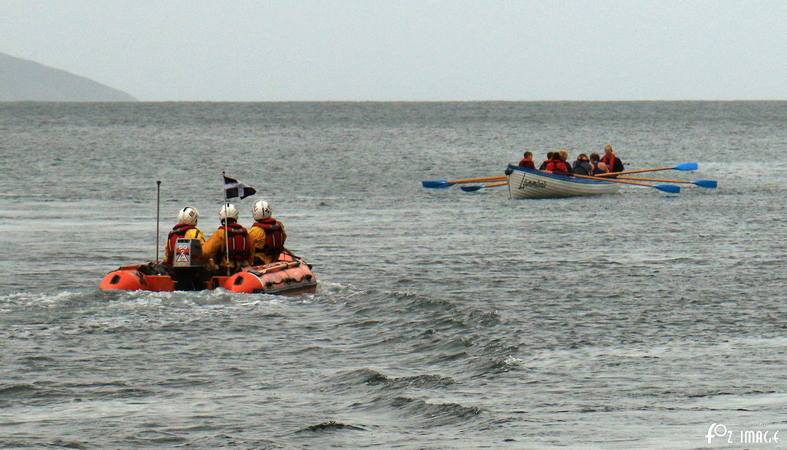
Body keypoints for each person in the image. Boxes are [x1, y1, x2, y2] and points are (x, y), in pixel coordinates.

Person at [202, 203, 253, 274]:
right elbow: (251, 253)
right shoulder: (245, 233)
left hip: (225, 269)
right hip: (242, 269)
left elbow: (205, 252)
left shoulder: (220, 233)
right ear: (236, 216)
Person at [163, 206, 207, 290]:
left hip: (174, 272)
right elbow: (204, 253)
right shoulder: (196, 233)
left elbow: (167, 255)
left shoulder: (171, 234)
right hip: (194, 274)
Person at [248, 200, 288, 265]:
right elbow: (284, 238)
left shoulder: (255, 230)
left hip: (260, 261)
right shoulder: (279, 225)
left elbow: (248, 247)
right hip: (274, 258)